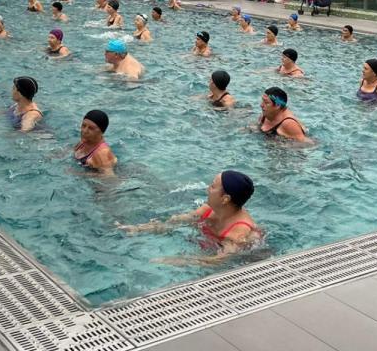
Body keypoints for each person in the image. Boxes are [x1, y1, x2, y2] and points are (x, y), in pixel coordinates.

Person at [118, 170, 261, 258]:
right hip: (210, 244)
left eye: (212, 186)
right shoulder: (208, 209)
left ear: (225, 199)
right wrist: (139, 229)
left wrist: (182, 261)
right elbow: (177, 221)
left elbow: (221, 260)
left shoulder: (239, 231)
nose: (208, 189)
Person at [73, 110, 117, 175]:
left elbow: (111, 180)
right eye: (83, 125)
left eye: (91, 128)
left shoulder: (101, 153)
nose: (85, 131)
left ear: (101, 132)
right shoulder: (83, 143)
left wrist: (80, 174)